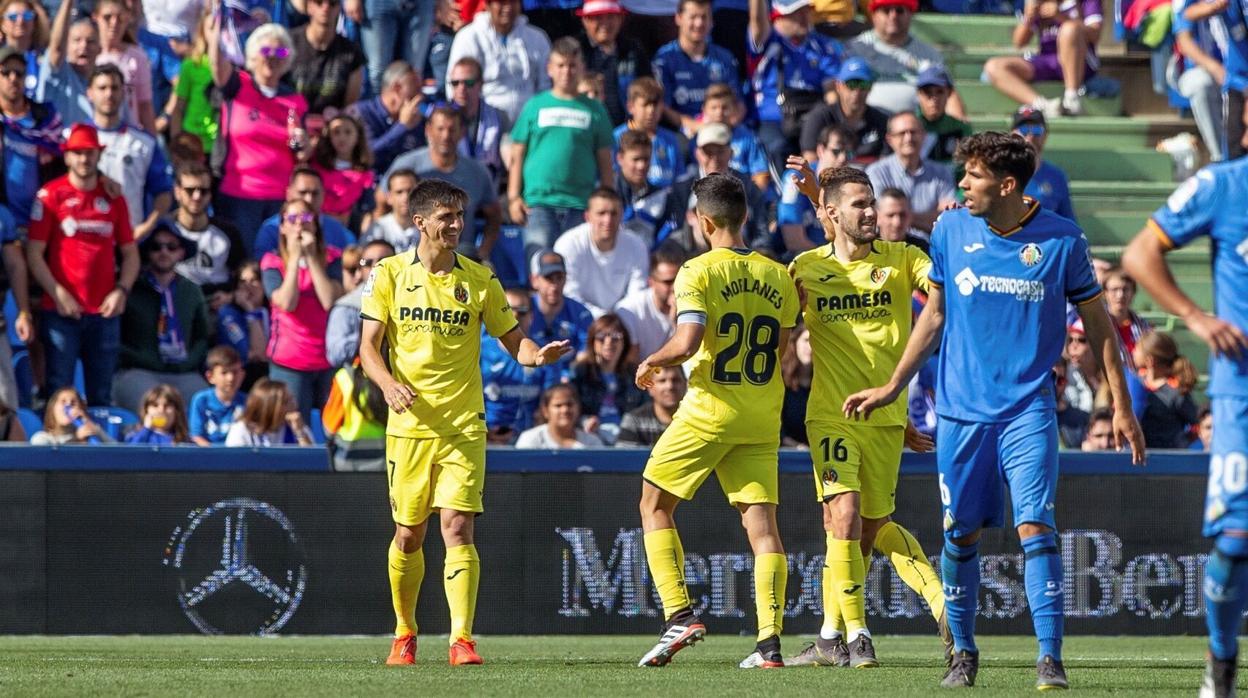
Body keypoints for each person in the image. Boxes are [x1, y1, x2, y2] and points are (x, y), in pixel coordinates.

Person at [844, 132, 1145, 690]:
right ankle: (962, 652)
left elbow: (1100, 327)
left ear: (1006, 185)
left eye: (973, 176)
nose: (961, 184)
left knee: (1036, 526)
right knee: (960, 535)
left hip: (1029, 410)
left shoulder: (1063, 241)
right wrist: (892, 386)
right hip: (960, 416)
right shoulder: (950, 230)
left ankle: (1049, 658)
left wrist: (1122, 405)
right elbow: (932, 317)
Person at [358, 178, 571, 666]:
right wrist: (389, 384)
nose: (455, 225)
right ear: (420, 223)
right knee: (409, 534)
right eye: (445, 217)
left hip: (463, 425)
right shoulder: (388, 274)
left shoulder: (480, 279)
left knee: (457, 527)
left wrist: (537, 356)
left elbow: (513, 338)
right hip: (409, 427)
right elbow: (368, 348)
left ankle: (462, 639)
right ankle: (405, 632)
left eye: (460, 216)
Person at [784, 161, 947, 669]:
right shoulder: (805, 268)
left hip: (887, 416)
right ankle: (859, 637)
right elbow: (783, 335)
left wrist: (953, 235)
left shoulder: (902, 258)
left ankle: (832, 636)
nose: (872, 212)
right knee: (845, 515)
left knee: (869, 529)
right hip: (830, 415)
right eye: (860, 204)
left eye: (872, 202)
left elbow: (943, 288)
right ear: (833, 214)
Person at [634, 172, 798, 669]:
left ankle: (678, 614)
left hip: (710, 408)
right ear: (745, 216)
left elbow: (687, 342)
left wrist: (652, 362)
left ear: (703, 222)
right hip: (761, 412)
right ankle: (769, 646)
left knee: (654, 503)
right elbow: (783, 355)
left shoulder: (696, 270)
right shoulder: (778, 275)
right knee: (763, 528)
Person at [1119, 155, 1248, 694]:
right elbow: (1139, 253)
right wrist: (1196, 317)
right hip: (1240, 391)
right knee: (1237, 540)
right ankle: (1220, 659)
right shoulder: (1225, 184)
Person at [27, 123, 138, 407]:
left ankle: (99, 450)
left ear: (99, 155)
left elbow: (130, 253)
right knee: (57, 391)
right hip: (61, 312)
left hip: (104, 312)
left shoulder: (114, 198)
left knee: (101, 395)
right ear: (66, 157)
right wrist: (57, 292)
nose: (84, 159)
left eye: (89, 152)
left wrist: (121, 291)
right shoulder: (50, 196)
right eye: (77, 153)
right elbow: (34, 253)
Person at [508, 37, 615, 255]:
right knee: (540, 269)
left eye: (573, 65)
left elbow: (605, 161)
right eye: (561, 65)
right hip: (538, 204)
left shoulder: (595, 110)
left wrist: (606, 201)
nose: (567, 71)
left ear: (582, 68)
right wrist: (513, 197)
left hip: (581, 205)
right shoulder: (534, 106)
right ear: (549, 69)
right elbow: (517, 154)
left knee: (575, 273)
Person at [208, 20, 309, 246]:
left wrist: (303, 143)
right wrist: (216, 26)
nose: (272, 57)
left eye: (280, 51)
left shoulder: (295, 99)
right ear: (252, 55)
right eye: (266, 50)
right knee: (244, 263)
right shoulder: (237, 84)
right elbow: (216, 64)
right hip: (239, 194)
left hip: (281, 198)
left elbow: (303, 154)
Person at [113, 222, 211, 413]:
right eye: (156, 247)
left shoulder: (192, 290)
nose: (164, 252)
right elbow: (115, 338)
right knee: (152, 408)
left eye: (171, 247)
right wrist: (144, 359)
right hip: (138, 370)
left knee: (201, 402)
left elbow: (202, 337)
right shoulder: (131, 289)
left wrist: (188, 362)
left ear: (181, 252)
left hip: (184, 371)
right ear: (147, 253)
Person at [261, 199, 344, 421]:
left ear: (316, 224)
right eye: (292, 219)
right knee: (296, 427)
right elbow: (287, 303)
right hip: (290, 361)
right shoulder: (272, 262)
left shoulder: (333, 258)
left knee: (332, 426)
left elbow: (329, 300)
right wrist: (295, 257)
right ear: (282, 227)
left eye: (306, 218)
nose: (300, 225)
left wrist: (311, 258)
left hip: (328, 359)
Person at [384, 105, 500, 260]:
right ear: (428, 130)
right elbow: (381, 203)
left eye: (452, 130)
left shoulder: (477, 172)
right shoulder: (406, 165)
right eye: (440, 129)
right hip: (415, 259)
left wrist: (484, 251)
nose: (446, 136)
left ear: (462, 132)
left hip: (463, 257)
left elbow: (494, 215)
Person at [747, 0, 844, 174]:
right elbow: (757, 21)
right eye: (795, 13)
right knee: (777, 147)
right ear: (777, 18)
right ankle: (783, 197)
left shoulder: (822, 46)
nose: (804, 17)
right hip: (773, 118)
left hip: (812, 116)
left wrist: (835, 123)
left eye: (806, 11)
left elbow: (831, 91)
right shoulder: (768, 41)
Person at [87, 64, 173, 241]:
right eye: (102, 88)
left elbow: (163, 193)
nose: (109, 94)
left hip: (128, 238)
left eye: (115, 88)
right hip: (84, 237)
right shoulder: (72, 138)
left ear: (124, 92)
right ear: (90, 93)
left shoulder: (144, 143)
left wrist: (146, 227)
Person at [982, 0, 1103, 117]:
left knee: (1070, 29)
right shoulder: (1039, 3)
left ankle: (1072, 99)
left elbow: (1095, 34)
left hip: (1079, 62)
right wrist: (1028, 18)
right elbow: (1018, 42)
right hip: (1047, 60)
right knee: (994, 66)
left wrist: (1060, 17)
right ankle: (1043, 106)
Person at [847, 0, 966, 117]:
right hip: (866, 127)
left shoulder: (928, 54)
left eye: (899, 10)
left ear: (911, 14)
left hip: (916, 130)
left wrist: (959, 128)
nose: (893, 16)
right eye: (886, 10)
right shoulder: (856, 48)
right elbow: (840, 89)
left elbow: (949, 95)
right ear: (873, 15)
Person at [446, 0, 552, 125]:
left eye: (513, 2)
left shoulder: (538, 38)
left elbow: (546, 85)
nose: (508, 8)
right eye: (501, 2)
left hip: (529, 123)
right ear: (487, 5)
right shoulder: (468, 37)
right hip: (483, 124)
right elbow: (453, 86)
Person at [667, 123, 769, 251]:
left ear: (731, 152)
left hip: (741, 255)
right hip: (693, 256)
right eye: (708, 152)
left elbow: (761, 230)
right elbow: (674, 230)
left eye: (720, 151)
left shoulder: (747, 186)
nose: (714, 158)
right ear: (697, 154)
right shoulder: (682, 188)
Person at [554, 188, 650, 317]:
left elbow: (637, 293)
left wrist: (616, 319)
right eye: (601, 213)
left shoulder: (637, 245)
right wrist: (603, 318)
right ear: (587, 216)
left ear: (622, 215)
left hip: (623, 320)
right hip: (580, 318)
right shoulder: (568, 244)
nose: (608, 220)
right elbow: (570, 294)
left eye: (614, 213)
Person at [0, 43, 62, 235]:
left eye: (19, 73)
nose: (13, 79)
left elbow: (67, 160)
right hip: (3, 224)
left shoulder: (45, 118)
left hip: (41, 224)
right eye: (6, 73)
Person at [653, 0, 740, 134]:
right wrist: (695, 126)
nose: (699, 23)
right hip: (682, 133)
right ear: (679, 18)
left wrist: (727, 126)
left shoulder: (725, 58)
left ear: (712, 21)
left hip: (722, 131)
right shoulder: (664, 59)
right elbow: (663, 106)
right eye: (693, 17)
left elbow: (739, 103)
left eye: (704, 17)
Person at [482, 287, 557, 442]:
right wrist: (486, 432)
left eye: (522, 311)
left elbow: (552, 400)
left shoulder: (544, 352)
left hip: (533, 440)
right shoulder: (480, 351)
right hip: (486, 438)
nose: (515, 316)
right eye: (508, 310)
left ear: (531, 316)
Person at [865, 112, 957, 235]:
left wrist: (899, 215)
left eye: (913, 132)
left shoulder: (941, 173)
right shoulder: (876, 172)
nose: (908, 138)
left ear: (924, 135)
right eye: (902, 133)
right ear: (889, 139)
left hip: (931, 248)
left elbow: (948, 219)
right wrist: (930, 217)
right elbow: (879, 217)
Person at [171, 161, 245, 301]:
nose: (197, 196)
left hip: (216, 302)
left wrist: (230, 297)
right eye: (190, 190)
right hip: (175, 301)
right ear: (177, 191)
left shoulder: (228, 232)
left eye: (203, 191)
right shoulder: (164, 230)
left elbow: (242, 273)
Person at [799, 57, 890, 166]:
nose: (857, 92)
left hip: (870, 179)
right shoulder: (819, 117)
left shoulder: (881, 120)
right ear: (838, 86)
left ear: (870, 87)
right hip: (829, 178)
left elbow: (887, 163)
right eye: (851, 85)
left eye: (863, 85)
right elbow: (810, 160)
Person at [569, 313, 645, 444]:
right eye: (601, 338)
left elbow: (644, 409)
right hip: (589, 436)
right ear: (592, 342)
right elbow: (569, 407)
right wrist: (584, 421)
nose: (608, 343)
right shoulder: (580, 372)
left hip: (628, 436)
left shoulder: (635, 373)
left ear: (624, 342)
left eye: (616, 338)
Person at [780, 123, 853, 256]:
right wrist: (829, 260)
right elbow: (793, 240)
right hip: (800, 257)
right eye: (836, 151)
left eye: (849, 153)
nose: (843, 158)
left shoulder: (853, 184)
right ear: (821, 150)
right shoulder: (796, 178)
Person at [576, 0, 651, 125]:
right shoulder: (576, 51)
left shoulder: (633, 49)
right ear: (585, 20)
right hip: (587, 128)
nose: (605, 24)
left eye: (610, 17)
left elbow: (648, 87)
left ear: (620, 19)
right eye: (598, 18)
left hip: (628, 131)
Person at [253, 168, 358, 255]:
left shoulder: (337, 229)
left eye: (315, 193)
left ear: (323, 195)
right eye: (303, 192)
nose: (309, 199)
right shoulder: (270, 229)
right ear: (288, 194)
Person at [1171, 0, 1228, 162]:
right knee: (1201, 83)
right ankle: (1220, 158)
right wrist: (1214, 67)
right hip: (1202, 70)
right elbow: (1184, 41)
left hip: (1238, 69)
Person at [326, 239, 396, 368]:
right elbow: (335, 355)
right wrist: (368, 337)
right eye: (367, 263)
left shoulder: (412, 299)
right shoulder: (347, 307)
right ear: (360, 270)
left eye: (383, 261)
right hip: (360, 383)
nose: (375, 267)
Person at [347, 60, 425, 174]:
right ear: (397, 88)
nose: (420, 96)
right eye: (416, 90)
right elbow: (366, 154)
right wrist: (402, 127)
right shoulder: (361, 113)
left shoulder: (417, 119)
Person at [290, 0, 365, 116]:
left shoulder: (351, 52)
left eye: (332, 3)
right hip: (289, 123)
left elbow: (349, 107)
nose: (326, 8)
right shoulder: (288, 43)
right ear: (309, 7)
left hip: (331, 127)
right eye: (319, 2)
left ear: (339, 9)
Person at [527, 249, 594, 377]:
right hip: (530, 379)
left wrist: (568, 376)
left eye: (559, 278)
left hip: (567, 382)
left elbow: (585, 352)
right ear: (534, 280)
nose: (555, 285)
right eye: (548, 278)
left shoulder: (581, 314)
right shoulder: (522, 310)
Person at [1127, 331, 1199, 448]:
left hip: (1166, 458)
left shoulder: (1176, 392)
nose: (1133, 352)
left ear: (1150, 360)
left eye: (1137, 349)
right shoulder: (1135, 382)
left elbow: (1198, 422)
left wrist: (1182, 441)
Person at [348, 0, 435, 96]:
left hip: (421, 4)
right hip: (378, 4)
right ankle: (378, 110)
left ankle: (409, 110)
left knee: (413, 73)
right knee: (377, 73)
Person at [612, 77, 687, 188]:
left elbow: (680, 180)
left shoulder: (671, 140)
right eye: (645, 105)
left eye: (655, 105)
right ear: (630, 107)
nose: (651, 111)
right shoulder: (616, 138)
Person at [93, 0, 155, 132]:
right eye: (107, 17)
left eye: (120, 18)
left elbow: (145, 105)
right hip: (93, 133)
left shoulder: (137, 57)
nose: (114, 23)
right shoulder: (89, 53)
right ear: (96, 17)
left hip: (127, 135)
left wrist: (152, 142)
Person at [39, 0, 103, 127]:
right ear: (66, 45)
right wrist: (68, 3)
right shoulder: (58, 72)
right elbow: (57, 48)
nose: (83, 46)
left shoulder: (104, 81)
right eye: (77, 40)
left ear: (99, 49)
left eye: (90, 41)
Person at [698, 82, 770, 193]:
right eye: (714, 107)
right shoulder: (698, 141)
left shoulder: (748, 138)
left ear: (734, 109)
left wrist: (745, 202)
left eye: (725, 107)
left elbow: (761, 175)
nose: (719, 112)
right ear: (704, 110)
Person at [446, 57, 508, 183]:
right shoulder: (441, 118)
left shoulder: (499, 117)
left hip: (487, 185)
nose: (461, 89)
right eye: (455, 83)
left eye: (468, 83)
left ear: (481, 84)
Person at [615, 245, 684, 359]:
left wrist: (677, 324)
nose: (674, 287)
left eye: (678, 280)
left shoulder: (692, 305)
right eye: (668, 282)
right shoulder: (630, 310)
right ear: (651, 282)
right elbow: (631, 363)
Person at [321, 359, 389, 470]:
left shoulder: (343, 378)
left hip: (347, 461)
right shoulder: (392, 376)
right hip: (384, 461)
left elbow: (329, 428)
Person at [166, 5, 216, 152]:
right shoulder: (192, 64)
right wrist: (176, 144)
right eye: (212, 28)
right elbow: (178, 107)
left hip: (221, 144)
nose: (216, 34)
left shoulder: (237, 68)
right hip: (193, 141)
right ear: (203, 30)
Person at [310, 113, 375, 226]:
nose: (342, 137)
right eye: (336, 132)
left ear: (357, 136)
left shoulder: (365, 175)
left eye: (348, 132)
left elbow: (367, 211)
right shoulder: (316, 166)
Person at [1011, 106, 1075, 221]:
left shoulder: (1057, 177)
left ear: (1045, 135)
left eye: (1036, 130)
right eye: (1024, 130)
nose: (1030, 137)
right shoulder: (1000, 174)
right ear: (1013, 135)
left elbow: (1068, 220)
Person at [216, 261, 270, 390]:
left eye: (254, 280)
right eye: (242, 281)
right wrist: (250, 312)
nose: (248, 286)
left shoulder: (274, 312)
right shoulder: (228, 314)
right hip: (242, 377)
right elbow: (257, 354)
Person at [224, 378, 315, 446]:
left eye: (292, 399)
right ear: (270, 407)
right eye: (287, 402)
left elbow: (312, 464)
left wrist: (300, 433)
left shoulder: (296, 426)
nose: (294, 405)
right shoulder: (241, 430)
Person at [189, 345, 248, 446]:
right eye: (224, 373)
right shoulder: (201, 400)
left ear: (242, 375)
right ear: (210, 377)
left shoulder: (248, 402)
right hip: (208, 456)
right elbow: (196, 436)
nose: (230, 378)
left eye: (235, 372)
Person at [515, 383, 606, 448]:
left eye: (569, 404)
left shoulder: (591, 443)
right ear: (545, 411)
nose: (565, 410)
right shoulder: (530, 440)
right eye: (558, 406)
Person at [617, 364, 686, 447]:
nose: (670, 386)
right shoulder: (634, 421)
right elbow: (625, 458)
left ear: (686, 384)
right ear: (650, 388)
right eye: (662, 381)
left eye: (676, 380)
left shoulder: (696, 420)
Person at [915, 67, 972, 165]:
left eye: (940, 92)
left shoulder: (960, 128)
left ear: (949, 93)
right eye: (927, 92)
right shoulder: (909, 129)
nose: (934, 98)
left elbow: (964, 166)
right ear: (918, 94)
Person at [363, 169, 420, 252]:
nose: (406, 197)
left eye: (410, 190)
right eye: (399, 192)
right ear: (389, 197)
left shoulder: (429, 227)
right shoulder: (378, 228)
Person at [30, 386, 110, 445]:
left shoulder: (90, 435)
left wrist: (95, 429)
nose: (68, 405)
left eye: (73, 403)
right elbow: (50, 461)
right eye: (63, 402)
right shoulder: (42, 438)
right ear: (52, 409)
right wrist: (76, 440)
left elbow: (117, 454)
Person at [1103, 267, 1151, 361]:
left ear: (1133, 292)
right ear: (1105, 293)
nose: (1120, 295)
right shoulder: (1097, 325)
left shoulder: (1144, 327)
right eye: (1114, 289)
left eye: (1125, 289)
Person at [125, 384, 192, 445]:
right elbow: (132, 452)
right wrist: (146, 429)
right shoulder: (136, 435)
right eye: (155, 405)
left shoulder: (185, 439)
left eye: (167, 405)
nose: (161, 410)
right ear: (146, 410)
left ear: (177, 412)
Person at [779, 325, 812, 447]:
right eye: (806, 340)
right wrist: (796, 446)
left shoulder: (824, 385)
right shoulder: (781, 380)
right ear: (795, 342)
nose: (810, 347)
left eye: (814, 342)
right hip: (785, 457)